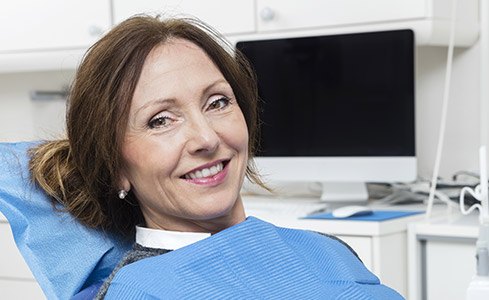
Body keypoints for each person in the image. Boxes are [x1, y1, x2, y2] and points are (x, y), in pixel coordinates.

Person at [29, 15, 403, 299]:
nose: (206, 138)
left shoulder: (325, 248)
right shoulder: (141, 291)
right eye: (160, 121)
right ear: (115, 168)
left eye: (218, 102)